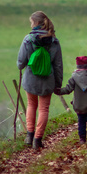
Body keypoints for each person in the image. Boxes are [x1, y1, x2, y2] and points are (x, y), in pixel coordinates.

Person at [16, 11, 63, 149]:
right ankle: (38, 140)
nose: (31, 25)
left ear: (36, 23)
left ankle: (29, 135)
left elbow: (20, 63)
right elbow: (58, 65)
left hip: (30, 79)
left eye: (31, 22)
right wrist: (58, 83)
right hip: (47, 80)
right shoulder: (54, 41)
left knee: (31, 105)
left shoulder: (28, 39)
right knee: (44, 109)